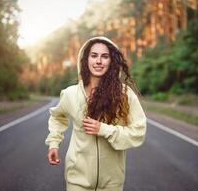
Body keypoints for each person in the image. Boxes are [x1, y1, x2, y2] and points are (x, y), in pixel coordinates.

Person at [45, 36, 147, 191]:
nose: (98, 61)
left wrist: (104, 130)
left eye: (104, 56)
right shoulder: (70, 94)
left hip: (112, 183)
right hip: (77, 180)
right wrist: (54, 142)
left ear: (111, 61)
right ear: (86, 60)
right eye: (94, 56)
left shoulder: (124, 94)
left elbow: (139, 131)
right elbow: (57, 116)